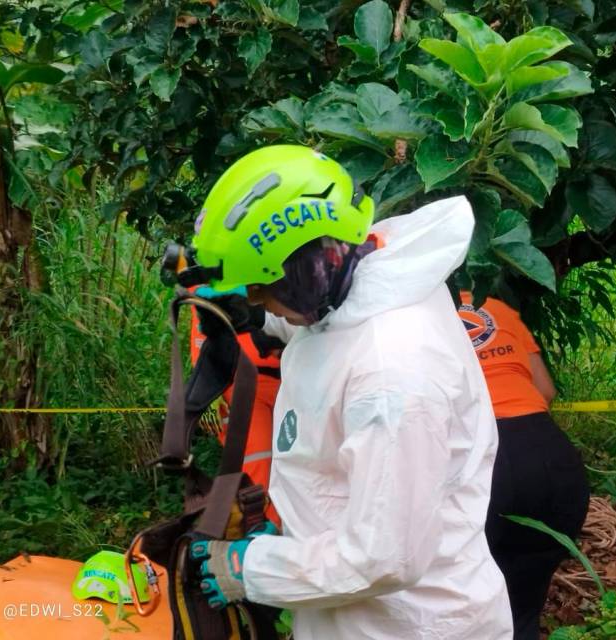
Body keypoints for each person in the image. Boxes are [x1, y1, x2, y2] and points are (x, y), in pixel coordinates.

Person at [185, 145, 513, 639]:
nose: (259, 301)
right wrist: (252, 314)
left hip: (409, 626)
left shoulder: (392, 374)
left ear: (307, 271)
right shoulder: (360, 284)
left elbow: (386, 556)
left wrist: (254, 567)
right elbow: (323, 327)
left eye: (261, 288)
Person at [458, 291, 590, 640]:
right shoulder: (498, 308)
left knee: (470, 607)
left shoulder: (410, 318)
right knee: (523, 610)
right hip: (553, 458)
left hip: (484, 461)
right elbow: (545, 390)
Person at [188, 299, 283, 527]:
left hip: (289, 374)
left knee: (294, 463)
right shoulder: (210, 273)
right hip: (240, 379)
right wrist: (209, 387)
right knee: (257, 465)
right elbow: (202, 330)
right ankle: (260, 534)